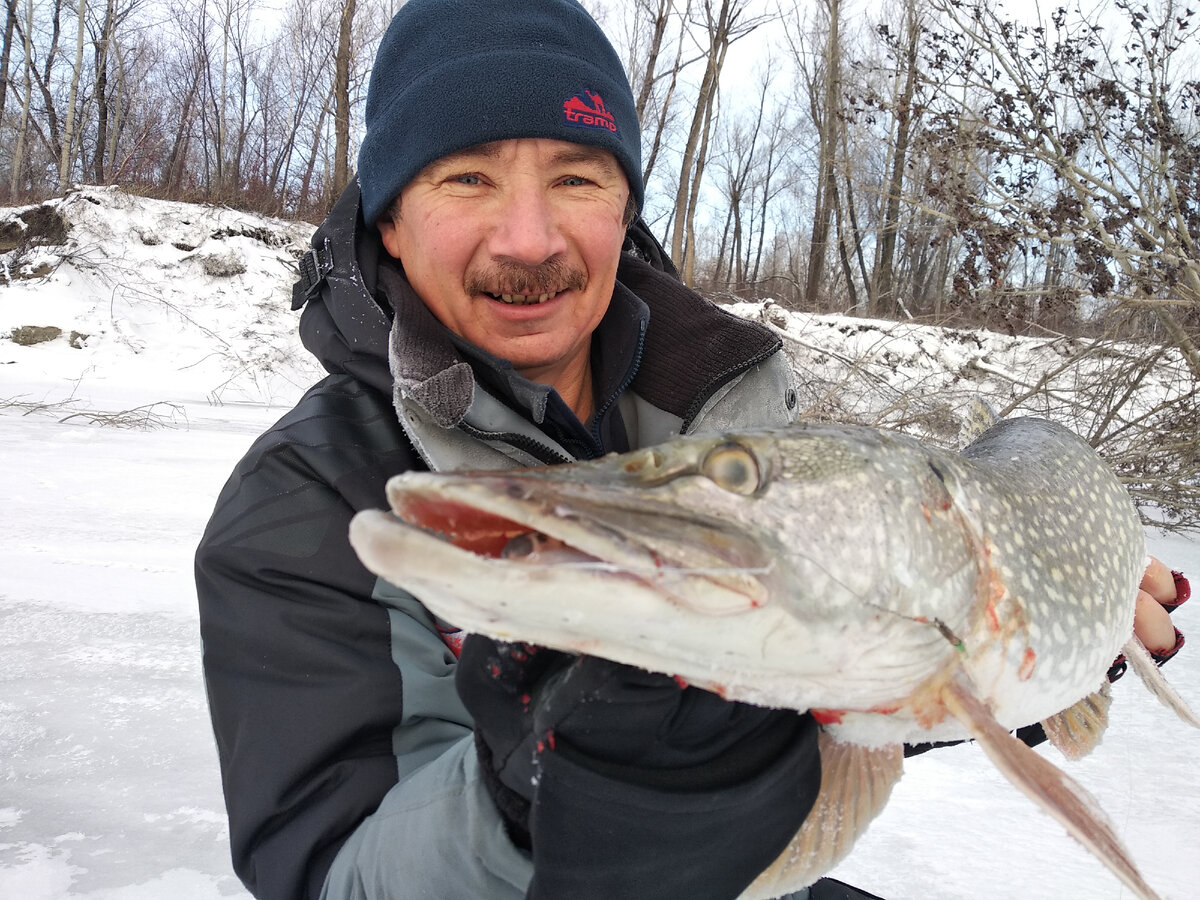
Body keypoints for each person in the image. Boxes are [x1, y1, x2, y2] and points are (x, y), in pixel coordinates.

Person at [194, 2, 1188, 899]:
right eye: (467, 178)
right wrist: (533, 782)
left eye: (576, 177)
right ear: (392, 224)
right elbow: (336, 880)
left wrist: (1036, 646)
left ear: (623, 208)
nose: (530, 238)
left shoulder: (731, 415)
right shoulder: (298, 503)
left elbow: (844, 675)